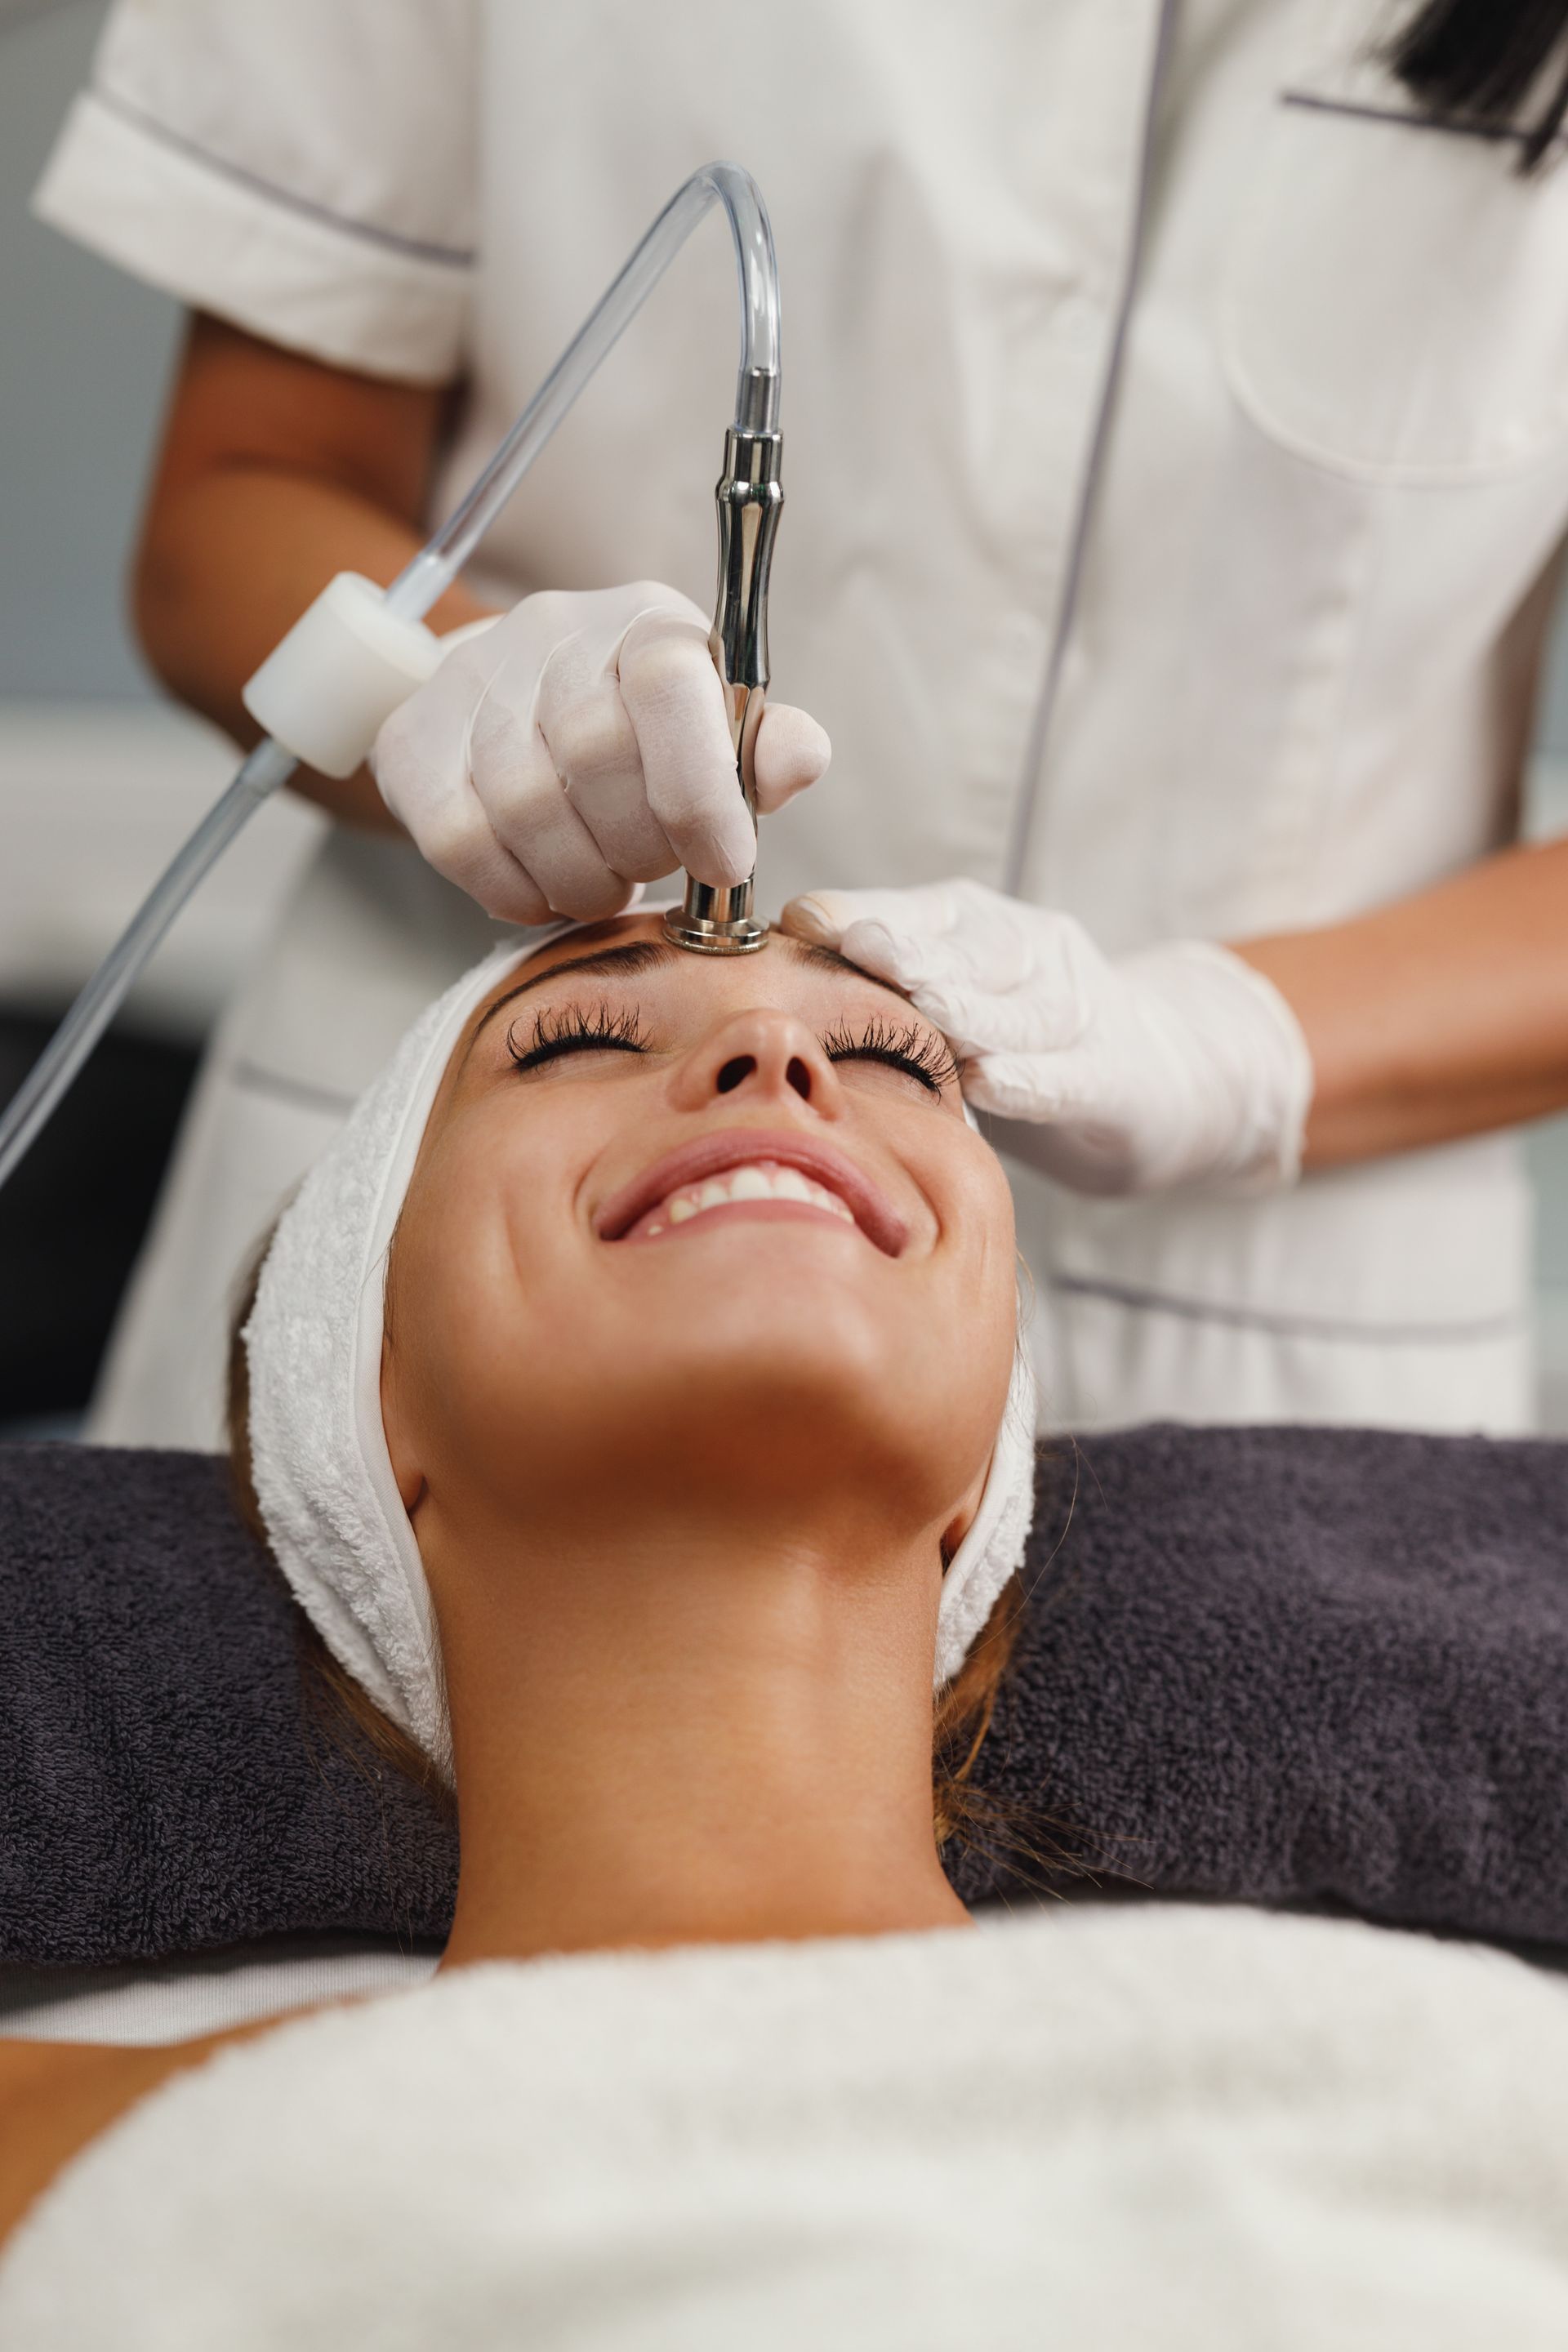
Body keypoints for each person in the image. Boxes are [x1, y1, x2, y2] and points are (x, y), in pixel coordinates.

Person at [31, 0, 1568, 1441]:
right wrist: (458, 695)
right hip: (431, 1204)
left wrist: (1234, 1053)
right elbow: (231, 511)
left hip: (1279, 1340)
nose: (778, 1063)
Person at [0, 907, 1037, 2251]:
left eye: (899, 1060)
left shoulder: (1359, 2040)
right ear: (362, 1401)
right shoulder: (73, 2158)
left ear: (988, 1474)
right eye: (580, 1040)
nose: (776, 1046)